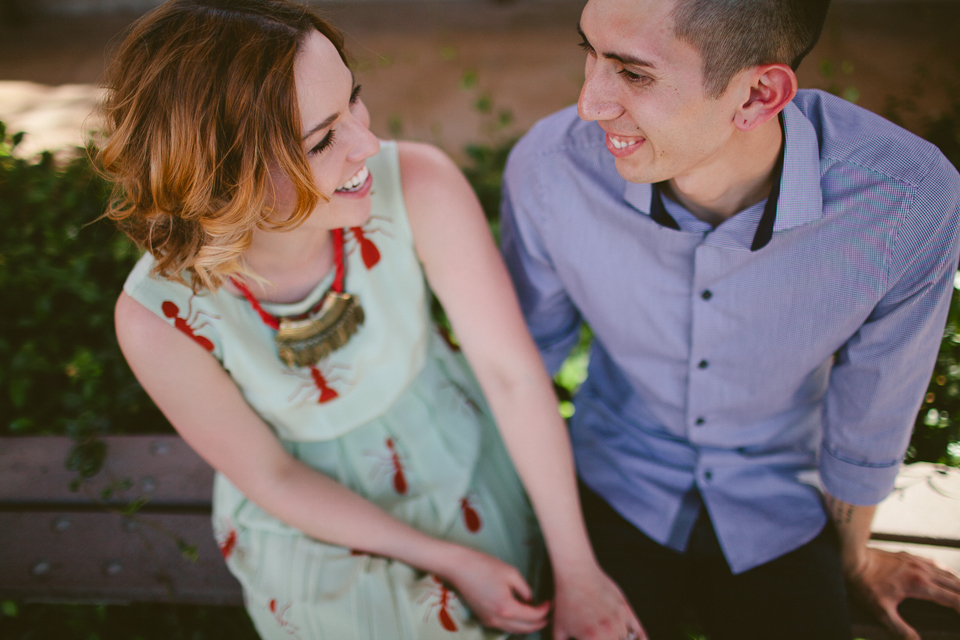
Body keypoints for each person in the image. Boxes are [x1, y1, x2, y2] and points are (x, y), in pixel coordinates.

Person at [102, 1, 641, 639]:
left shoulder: (419, 185)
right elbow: (272, 474)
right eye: (323, 138)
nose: (370, 143)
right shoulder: (156, 318)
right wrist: (451, 562)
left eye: (352, 100)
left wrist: (577, 570)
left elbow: (510, 375)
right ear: (224, 178)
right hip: (308, 514)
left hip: (453, 453)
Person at [500, 0, 960, 639]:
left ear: (758, 95)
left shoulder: (906, 199)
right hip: (612, 483)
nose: (589, 104)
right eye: (591, 54)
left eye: (633, 74)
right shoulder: (552, 168)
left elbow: (871, 415)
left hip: (782, 499)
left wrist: (852, 560)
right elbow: (519, 365)